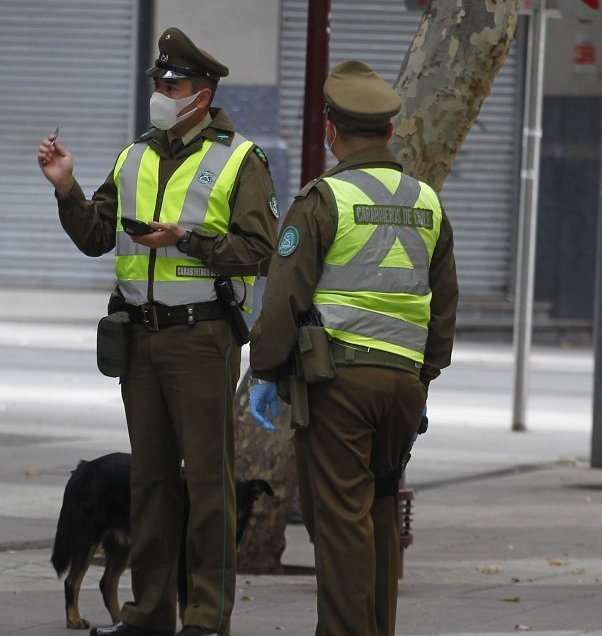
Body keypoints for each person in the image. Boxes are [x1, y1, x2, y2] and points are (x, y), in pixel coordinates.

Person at [37, 28, 278, 636]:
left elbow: (259, 249)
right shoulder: (134, 155)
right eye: (158, 84)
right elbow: (96, 236)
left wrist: (185, 238)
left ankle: (204, 614)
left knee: (206, 482)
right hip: (141, 338)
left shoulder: (239, 160)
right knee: (149, 484)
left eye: (172, 86)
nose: (161, 94)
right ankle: (148, 615)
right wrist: (66, 186)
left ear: (203, 93)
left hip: (202, 336)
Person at [247, 60, 458, 636]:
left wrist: (264, 370)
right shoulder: (426, 202)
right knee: (379, 512)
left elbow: (284, 296)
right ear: (390, 132)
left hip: (338, 387)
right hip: (403, 389)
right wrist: (423, 379)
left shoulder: (324, 200)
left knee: (338, 520)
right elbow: (444, 309)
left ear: (330, 131)